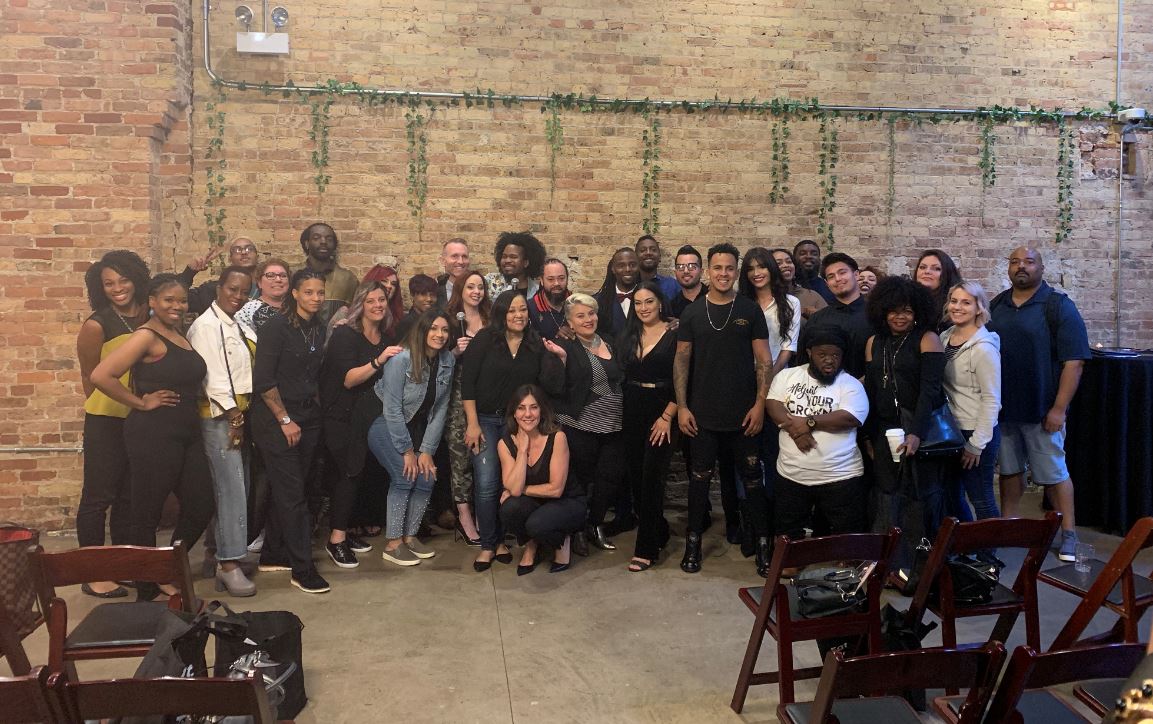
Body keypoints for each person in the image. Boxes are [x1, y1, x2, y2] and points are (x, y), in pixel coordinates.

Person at [90, 274, 214, 601]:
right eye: (169, 300)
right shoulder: (146, 336)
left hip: (187, 432)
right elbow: (101, 375)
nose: (177, 306)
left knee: (201, 503)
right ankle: (148, 585)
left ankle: (167, 568)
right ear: (153, 302)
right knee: (146, 511)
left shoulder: (178, 334)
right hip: (153, 432)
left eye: (182, 300)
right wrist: (141, 402)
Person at [674, 243, 773, 576]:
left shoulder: (749, 309)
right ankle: (692, 547)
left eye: (730, 268)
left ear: (736, 271)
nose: (723, 274)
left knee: (752, 480)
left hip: (744, 416)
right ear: (708, 271)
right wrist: (683, 407)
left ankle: (763, 547)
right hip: (702, 416)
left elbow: (764, 360)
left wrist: (760, 405)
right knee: (699, 481)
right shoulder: (692, 313)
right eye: (717, 268)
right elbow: (682, 361)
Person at [987, 246, 1090, 561]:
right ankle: (1009, 526)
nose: (1021, 267)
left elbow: (1074, 362)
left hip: (1043, 410)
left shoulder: (1058, 306)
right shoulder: (997, 305)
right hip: (1005, 410)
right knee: (1010, 471)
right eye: (1015, 262)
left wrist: (1059, 409)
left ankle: (1069, 534)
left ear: (1041, 268)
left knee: (1054, 473)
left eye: (1029, 262)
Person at [461, 290, 564, 571]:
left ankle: (502, 542)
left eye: (522, 310)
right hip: (484, 420)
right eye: (511, 310)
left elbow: (548, 385)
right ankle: (487, 544)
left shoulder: (535, 344)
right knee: (486, 481)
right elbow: (467, 383)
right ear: (501, 314)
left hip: (517, 423)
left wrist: (561, 357)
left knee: (512, 484)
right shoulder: (485, 339)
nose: (518, 315)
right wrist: (472, 423)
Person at [249, 268, 330, 594]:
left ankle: (273, 553)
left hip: (308, 417)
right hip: (276, 420)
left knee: (298, 489)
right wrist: (285, 420)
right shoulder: (276, 327)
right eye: (308, 292)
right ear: (294, 293)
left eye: (320, 293)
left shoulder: (317, 327)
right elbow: (264, 380)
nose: (315, 298)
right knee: (293, 494)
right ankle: (302, 568)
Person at [76, 250, 151, 598]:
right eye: (108, 283)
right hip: (105, 419)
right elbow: (89, 379)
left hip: (142, 419)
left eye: (123, 280)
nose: (118, 288)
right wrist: (112, 403)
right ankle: (93, 573)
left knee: (128, 498)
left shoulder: (150, 314)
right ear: (99, 288)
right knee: (97, 496)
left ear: (135, 278)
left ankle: (121, 566)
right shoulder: (96, 324)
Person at [863, 276, 947, 575]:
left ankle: (919, 565)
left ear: (918, 313)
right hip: (884, 430)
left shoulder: (927, 338)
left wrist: (916, 434)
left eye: (908, 311)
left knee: (917, 495)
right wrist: (869, 437)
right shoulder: (874, 342)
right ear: (882, 311)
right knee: (886, 493)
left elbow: (931, 391)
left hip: (917, 428)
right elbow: (871, 392)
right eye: (894, 310)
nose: (900, 316)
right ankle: (886, 564)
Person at [319, 281, 403, 569]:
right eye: (371, 301)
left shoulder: (384, 336)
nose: (378, 305)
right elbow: (349, 379)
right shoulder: (346, 334)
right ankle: (336, 540)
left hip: (366, 417)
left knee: (361, 474)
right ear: (360, 305)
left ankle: (347, 529)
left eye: (382, 300)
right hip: (339, 416)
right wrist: (379, 360)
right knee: (347, 474)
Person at [186, 266, 258, 597]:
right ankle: (229, 565)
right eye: (233, 289)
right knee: (230, 489)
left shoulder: (238, 322)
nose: (238, 296)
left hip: (239, 412)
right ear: (219, 287)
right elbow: (211, 376)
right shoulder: (205, 326)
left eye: (244, 292)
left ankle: (222, 556)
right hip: (220, 417)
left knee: (235, 487)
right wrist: (233, 416)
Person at [368, 309, 455, 566]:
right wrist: (407, 451)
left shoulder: (447, 360)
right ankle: (393, 544)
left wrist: (426, 451)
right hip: (386, 425)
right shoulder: (401, 359)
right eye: (434, 329)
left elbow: (440, 409)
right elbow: (392, 408)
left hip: (419, 429)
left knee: (427, 476)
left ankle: (410, 536)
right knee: (404, 476)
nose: (439, 335)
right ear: (422, 331)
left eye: (445, 330)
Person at [766, 327, 871, 540]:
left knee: (848, 553)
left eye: (835, 355)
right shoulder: (787, 376)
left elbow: (850, 417)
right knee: (787, 556)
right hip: (791, 476)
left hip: (841, 477)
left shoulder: (850, 384)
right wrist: (797, 433)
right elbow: (773, 405)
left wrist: (810, 422)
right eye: (823, 354)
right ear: (809, 352)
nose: (829, 360)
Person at [543, 293, 627, 552]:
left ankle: (596, 524)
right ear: (569, 321)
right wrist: (562, 359)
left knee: (608, 479)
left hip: (613, 425)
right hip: (580, 425)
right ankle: (577, 527)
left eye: (591, 313)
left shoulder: (610, 342)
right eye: (580, 315)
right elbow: (553, 386)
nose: (588, 319)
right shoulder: (564, 344)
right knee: (581, 479)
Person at [618, 282, 678, 571]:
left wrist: (668, 416)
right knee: (637, 479)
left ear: (660, 303)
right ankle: (660, 530)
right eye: (638, 303)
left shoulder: (675, 334)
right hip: (631, 408)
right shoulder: (629, 334)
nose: (643, 308)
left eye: (649, 302)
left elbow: (684, 379)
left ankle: (646, 548)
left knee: (653, 478)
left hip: (662, 409)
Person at [498, 385, 583, 574]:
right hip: (536, 503)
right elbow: (512, 487)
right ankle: (532, 545)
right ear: (513, 413)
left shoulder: (557, 437)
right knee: (510, 508)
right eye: (521, 408)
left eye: (533, 407)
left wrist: (521, 490)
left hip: (567, 501)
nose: (527, 414)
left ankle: (564, 537)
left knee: (536, 523)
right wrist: (522, 450)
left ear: (542, 410)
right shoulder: (505, 444)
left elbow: (556, 489)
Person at [939, 281, 1002, 527]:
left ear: (979, 308)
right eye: (954, 301)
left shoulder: (984, 349)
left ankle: (990, 560)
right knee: (952, 496)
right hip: (952, 431)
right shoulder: (946, 337)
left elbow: (992, 400)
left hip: (975, 432)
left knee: (981, 498)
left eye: (966, 302)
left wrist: (976, 444)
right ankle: (966, 546)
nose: (958, 307)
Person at [444, 270, 491, 545]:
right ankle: (464, 517)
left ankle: (486, 513)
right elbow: (435, 363)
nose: (476, 292)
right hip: (457, 395)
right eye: (471, 286)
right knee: (460, 454)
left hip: (486, 394)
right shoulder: (449, 321)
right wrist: (454, 353)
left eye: (480, 287)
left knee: (485, 455)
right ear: (460, 289)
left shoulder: (491, 319)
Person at [795, 252, 872, 379]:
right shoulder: (817, 319)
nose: (837, 279)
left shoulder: (876, 314)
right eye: (831, 276)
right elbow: (804, 362)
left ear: (856, 274)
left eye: (842, 272)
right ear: (826, 284)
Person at [740, 247, 800, 376]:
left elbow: (788, 346)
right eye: (750, 269)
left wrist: (771, 376)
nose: (756, 273)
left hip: (779, 374)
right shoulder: (741, 304)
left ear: (771, 268)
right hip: (744, 375)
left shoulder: (791, 303)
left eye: (762, 267)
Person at [180, 237, 260, 315]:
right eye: (237, 250)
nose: (244, 252)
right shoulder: (212, 290)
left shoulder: (267, 288)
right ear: (230, 259)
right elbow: (178, 299)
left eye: (249, 249)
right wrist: (189, 272)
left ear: (257, 255)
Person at [299, 222, 358, 326]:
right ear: (307, 243)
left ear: (334, 245)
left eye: (329, 239)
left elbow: (357, 314)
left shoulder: (348, 279)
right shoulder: (294, 274)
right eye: (316, 238)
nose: (323, 242)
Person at [484, 231, 545, 301]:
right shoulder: (489, 282)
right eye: (504, 256)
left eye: (513, 257)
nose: (507, 260)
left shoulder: (537, 292)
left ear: (526, 262)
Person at [593, 247, 641, 337]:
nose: (627, 269)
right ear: (613, 269)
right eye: (621, 265)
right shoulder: (597, 302)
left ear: (639, 267)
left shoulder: (651, 298)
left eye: (633, 264)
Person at [236, 258, 291, 332]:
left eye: (283, 275)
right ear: (259, 282)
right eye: (271, 276)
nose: (278, 279)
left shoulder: (298, 306)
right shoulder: (249, 311)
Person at [915, 249, 962, 331]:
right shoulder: (908, 300)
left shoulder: (954, 306)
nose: (927, 271)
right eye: (922, 267)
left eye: (936, 268)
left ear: (947, 274)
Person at [771, 248, 826, 320]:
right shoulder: (764, 297)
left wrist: (817, 316)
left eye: (789, 262)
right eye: (778, 263)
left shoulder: (811, 296)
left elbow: (831, 322)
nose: (785, 265)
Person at [528, 258, 574, 341]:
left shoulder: (577, 303)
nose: (556, 283)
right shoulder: (531, 308)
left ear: (567, 279)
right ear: (542, 281)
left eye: (561, 278)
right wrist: (556, 339)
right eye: (550, 279)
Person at [635, 235, 681, 301]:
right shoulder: (629, 286)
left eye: (653, 250)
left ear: (660, 257)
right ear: (635, 257)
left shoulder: (672, 285)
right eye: (643, 250)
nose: (648, 253)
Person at [394, 274, 439, 341]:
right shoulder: (406, 324)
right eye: (423, 294)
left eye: (432, 295)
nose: (429, 299)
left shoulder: (438, 320)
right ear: (412, 295)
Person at [793, 239, 836, 304]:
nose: (809, 256)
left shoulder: (829, 287)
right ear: (793, 259)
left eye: (814, 254)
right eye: (802, 253)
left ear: (819, 259)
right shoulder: (787, 286)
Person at [669, 245, 706, 318]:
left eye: (692, 266)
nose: (686, 271)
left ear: (701, 272)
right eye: (680, 267)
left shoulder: (713, 297)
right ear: (675, 272)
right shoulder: (671, 307)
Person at [437, 238, 471, 305]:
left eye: (464, 256)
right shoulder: (434, 291)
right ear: (443, 261)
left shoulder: (478, 290)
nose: (460, 261)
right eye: (454, 256)